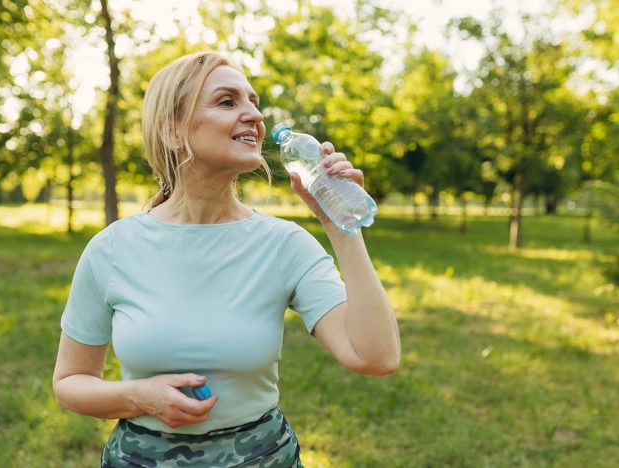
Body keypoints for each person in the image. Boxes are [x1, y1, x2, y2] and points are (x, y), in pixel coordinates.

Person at [52, 50, 400, 467]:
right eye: (227, 101)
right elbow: (70, 382)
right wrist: (137, 396)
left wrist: (342, 225)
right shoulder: (112, 248)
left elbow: (375, 357)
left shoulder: (284, 244)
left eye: (253, 101)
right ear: (172, 131)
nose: (253, 114)